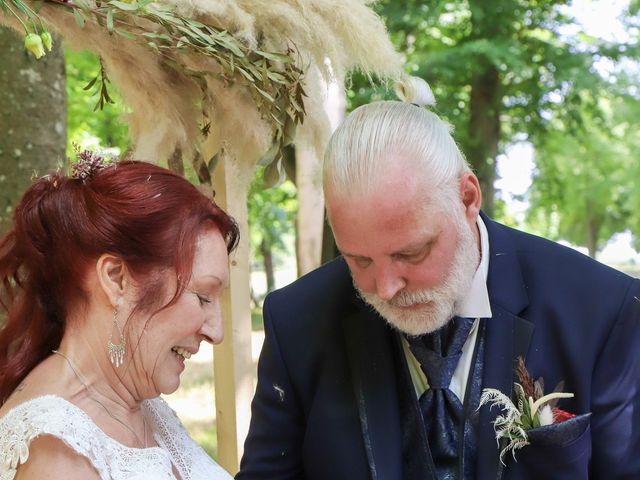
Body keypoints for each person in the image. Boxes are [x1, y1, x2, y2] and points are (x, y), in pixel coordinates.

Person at [237, 78, 640, 479]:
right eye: (358, 260)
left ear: (467, 197)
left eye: (411, 253)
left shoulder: (603, 311)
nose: (385, 287)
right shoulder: (295, 322)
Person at [0, 155, 238, 479]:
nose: (217, 332)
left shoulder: (142, 406)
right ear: (116, 279)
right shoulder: (57, 456)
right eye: (202, 296)